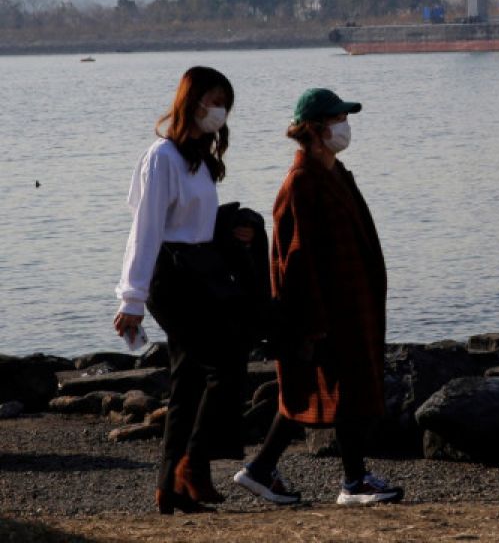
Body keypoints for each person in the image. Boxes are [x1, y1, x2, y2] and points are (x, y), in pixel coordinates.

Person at [233, 88, 402, 506]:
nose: (345, 127)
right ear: (314, 129)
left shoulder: (334, 173)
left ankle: (263, 470)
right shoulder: (301, 183)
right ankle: (352, 481)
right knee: (326, 391)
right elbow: (296, 260)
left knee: (327, 391)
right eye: (338, 119)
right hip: (325, 310)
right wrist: (309, 324)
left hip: (350, 304)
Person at [113, 66, 251, 514]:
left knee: (189, 380)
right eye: (212, 99)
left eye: (223, 101)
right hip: (170, 276)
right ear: (189, 101)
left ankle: (169, 487)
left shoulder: (198, 160)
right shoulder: (162, 158)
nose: (219, 109)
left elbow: (198, 224)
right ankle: (193, 465)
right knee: (225, 365)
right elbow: (146, 229)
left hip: (198, 271)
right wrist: (130, 299)